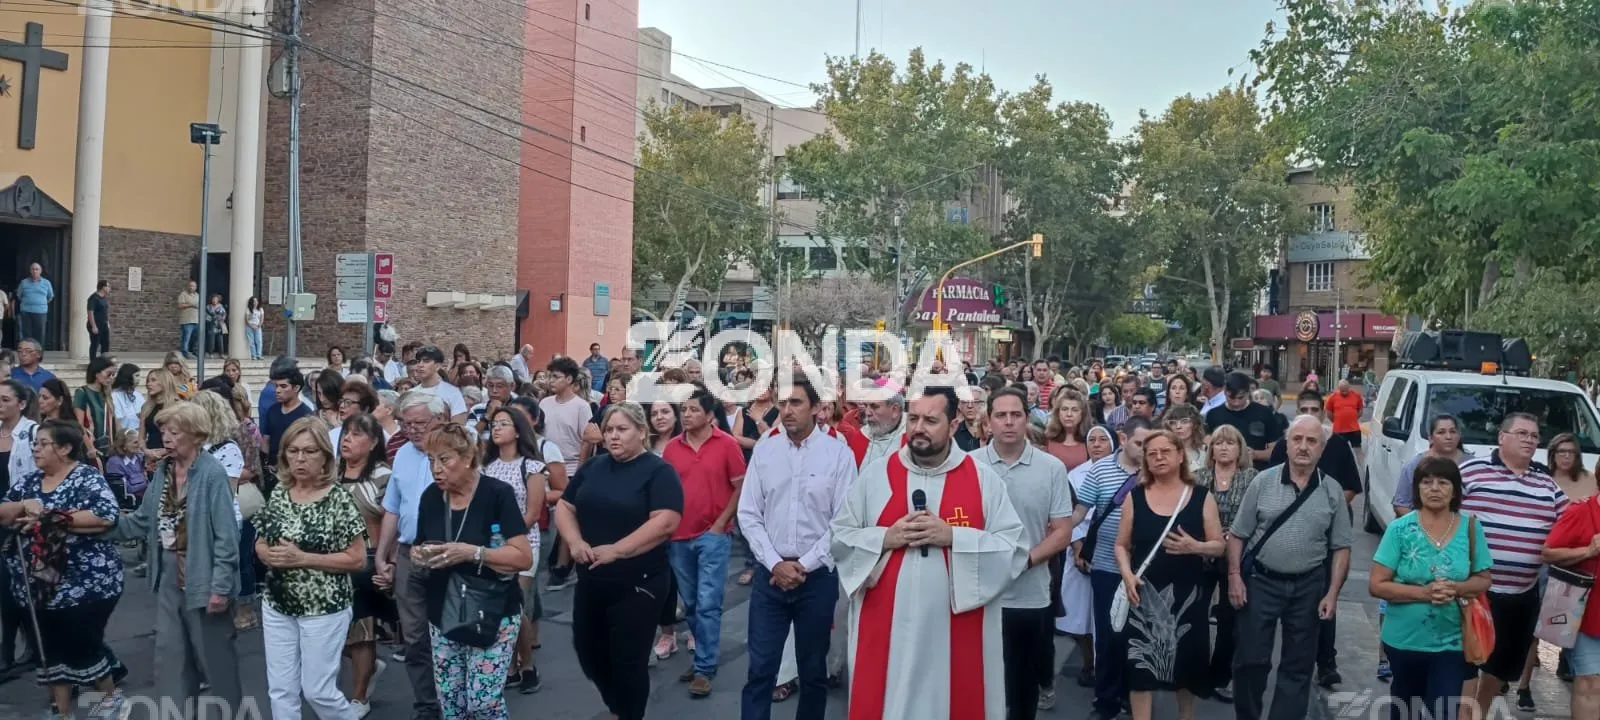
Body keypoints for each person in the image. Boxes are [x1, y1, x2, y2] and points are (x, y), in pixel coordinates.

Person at [831, 386, 1028, 719]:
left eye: (931, 421)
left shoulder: (984, 480)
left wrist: (954, 537)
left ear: (953, 425)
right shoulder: (877, 476)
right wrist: (885, 538)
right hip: (886, 627)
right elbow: (840, 537)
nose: (918, 428)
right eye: (914, 419)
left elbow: (1014, 549)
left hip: (955, 633)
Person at [105, 401, 243, 716]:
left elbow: (226, 537)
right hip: (169, 574)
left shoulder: (212, 473)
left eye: (174, 431)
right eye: (164, 431)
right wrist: (95, 527)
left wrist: (221, 587)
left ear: (196, 435)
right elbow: (142, 520)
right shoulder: (164, 471)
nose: (166, 437)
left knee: (216, 662)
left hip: (205, 576)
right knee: (171, 659)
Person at [555, 403, 683, 720]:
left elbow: (666, 521)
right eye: (609, 429)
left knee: (628, 661)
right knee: (589, 653)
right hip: (592, 580)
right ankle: (619, 706)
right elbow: (565, 506)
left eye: (622, 429)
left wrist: (618, 550)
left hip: (639, 583)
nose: (613, 436)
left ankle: (629, 714)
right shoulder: (593, 467)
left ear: (642, 432)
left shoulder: (658, 471)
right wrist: (575, 541)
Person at [737, 380, 855, 720]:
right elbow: (748, 513)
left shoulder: (838, 455)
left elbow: (843, 521)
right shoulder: (766, 452)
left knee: (813, 671)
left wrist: (804, 564)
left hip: (816, 579)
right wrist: (775, 564)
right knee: (760, 670)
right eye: (783, 403)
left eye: (796, 403)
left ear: (816, 408)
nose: (787, 410)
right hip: (770, 577)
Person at [1227, 415, 1353, 720]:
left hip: (1308, 586)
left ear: (1322, 448)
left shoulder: (1332, 490)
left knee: (1298, 665)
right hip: (1261, 581)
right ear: (1286, 444)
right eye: (1297, 439)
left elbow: (1341, 547)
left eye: (1312, 441)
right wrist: (1234, 577)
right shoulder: (1263, 482)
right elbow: (1238, 534)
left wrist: (1332, 593)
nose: (1303, 447)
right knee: (1250, 660)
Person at [0, 420, 127, 717]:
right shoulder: (30, 483)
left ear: (65, 448)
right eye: (35, 443)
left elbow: (105, 517)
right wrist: (24, 506)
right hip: (40, 585)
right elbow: (4, 512)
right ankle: (61, 711)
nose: (36, 449)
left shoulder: (86, 477)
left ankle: (110, 699)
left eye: (43, 443)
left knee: (82, 644)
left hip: (88, 583)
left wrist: (49, 517)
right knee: (50, 648)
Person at [412, 422, 533, 720]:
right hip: (443, 609)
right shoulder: (431, 497)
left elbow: (523, 557)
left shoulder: (497, 494)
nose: (436, 469)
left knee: (483, 703)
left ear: (468, 458)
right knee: (452, 703)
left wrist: (473, 553)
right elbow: (421, 543)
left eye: (444, 459)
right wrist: (419, 555)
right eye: (431, 460)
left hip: (491, 609)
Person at [254, 417, 366, 720]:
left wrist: (302, 558)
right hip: (277, 603)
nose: (300, 459)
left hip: (324, 607)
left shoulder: (338, 499)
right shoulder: (280, 492)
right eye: (293, 451)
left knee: (318, 691)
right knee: (281, 689)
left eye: (309, 451)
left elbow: (357, 559)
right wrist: (267, 554)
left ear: (325, 457)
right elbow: (261, 541)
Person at [1462, 413, 1567, 717]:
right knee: (1465, 663)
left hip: (1521, 596)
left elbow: (1570, 524)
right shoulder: (1471, 472)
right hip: (1473, 593)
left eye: (1534, 436)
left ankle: (1479, 713)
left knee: (1501, 669)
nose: (1529, 440)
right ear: (1502, 437)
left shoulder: (1547, 484)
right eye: (1522, 433)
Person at [1370, 456, 1492, 720]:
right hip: (1404, 641)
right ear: (1417, 489)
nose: (1434, 488)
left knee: (1445, 711)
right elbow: (1377, 585)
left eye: (1443, 482)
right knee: (1406, 710)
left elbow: (1483, 579)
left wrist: (1457, 588)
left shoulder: (1471, 528)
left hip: (1452, 642)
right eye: (1427, 482)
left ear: (1455, 491)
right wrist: (1424, 594)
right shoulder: (1400, 530)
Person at [1115, 430, 1225, 720]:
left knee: (1187, 669)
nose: (1159, 457)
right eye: (1152, 454)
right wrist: (1127, 574)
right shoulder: (1135, 497)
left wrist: (1195, 546)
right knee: (1139, 669)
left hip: (1188, 597)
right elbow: (1121, 545)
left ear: (1180, 456)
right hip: (1143, 595)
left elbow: (1219, 546)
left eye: (1165, 451)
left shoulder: (1201, 496)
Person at [980, 386, 1074, 718]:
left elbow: (1062, 531)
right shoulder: (968, 465)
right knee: (981, 685)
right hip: (979, 595)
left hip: (1029, 595)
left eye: (1015, 415)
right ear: (988, 421)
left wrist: (1024, 562)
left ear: (1026, 419)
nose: (1008, 422)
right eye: (1000, 415)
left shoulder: (1051, 468)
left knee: (1022, 688)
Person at [661, 387, 747, 697]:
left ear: (710, 416)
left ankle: (704, 668)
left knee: (709, 603)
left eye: (694, 410)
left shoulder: (727, 445)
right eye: (683, 409)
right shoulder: (672, 449)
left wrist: (721, 524)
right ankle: (702, 657)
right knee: (691, 604)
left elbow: (740, 486)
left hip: (713, 536)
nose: (686, 415)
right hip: (678, 537)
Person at [374, 391, 448, 720]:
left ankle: (455, 700)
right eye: (407, 424)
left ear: (440, 420)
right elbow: (392, 507)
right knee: (415, 635)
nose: (413, 430)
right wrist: (383, 554)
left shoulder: (458, 452)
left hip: (446, 553)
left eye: (420, 423)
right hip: (408, 553)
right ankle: (427, 705)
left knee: (449, 632)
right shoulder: (403, 453)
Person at [480, 405, 551, 695]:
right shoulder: (486, 468)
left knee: (516, 605)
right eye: (494, 424)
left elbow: (532, 513)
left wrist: (508, 535)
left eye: (504, 424)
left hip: (523, 544)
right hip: (493, 545)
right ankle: (509, 667)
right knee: (499, 607)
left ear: (518, 431)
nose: (496, 429)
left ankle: (527, 665)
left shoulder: (532, 467)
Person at [1193, 424, 1257, 700]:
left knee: (1229, 620)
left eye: (1230, 443)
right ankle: (1195, 674)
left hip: (1236, 555)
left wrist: (1233, 535)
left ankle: (1221, 675)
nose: (1223, 447)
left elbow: (1257, 516)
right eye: (1218, 443)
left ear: (1240, 448)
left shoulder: (1252, 478)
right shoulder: (1199, 477)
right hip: (1201, 553)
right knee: (1195, 614)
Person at [336, 413, 393, 715]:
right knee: (330, 634)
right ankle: (369, 667)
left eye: (356, 434)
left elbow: (394, 521)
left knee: (361, 630)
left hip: (367, 559)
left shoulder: (383, 476)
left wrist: (388, 560)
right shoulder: (330, 472)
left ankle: (359, 697)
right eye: (346, 433)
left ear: (372, 443)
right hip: (330, 560)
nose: (347, 439)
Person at [87, 279, 110, 359]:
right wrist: (93, 326)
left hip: (104, 325)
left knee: (105, 344)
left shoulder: (104, 298)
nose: (109, 288)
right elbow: (90, 312)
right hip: (96, 324)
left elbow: (105, 311)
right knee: (95, 344)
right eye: (108, 286)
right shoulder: (93, 298)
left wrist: (107, 322)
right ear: (103, 287)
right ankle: (93, 362)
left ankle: (104, 361)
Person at [177, 280, 200, 358]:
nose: (191, 287)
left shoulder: (198, 295)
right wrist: (191, 305)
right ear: (188, 286)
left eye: (193, 286)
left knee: (196, 338)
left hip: (196, 320)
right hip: (187, 321)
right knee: (186, 338)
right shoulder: (183, 294)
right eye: (190, 286)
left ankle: (195, 352)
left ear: (196, 287)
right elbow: (180, 306)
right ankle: (185, 353)